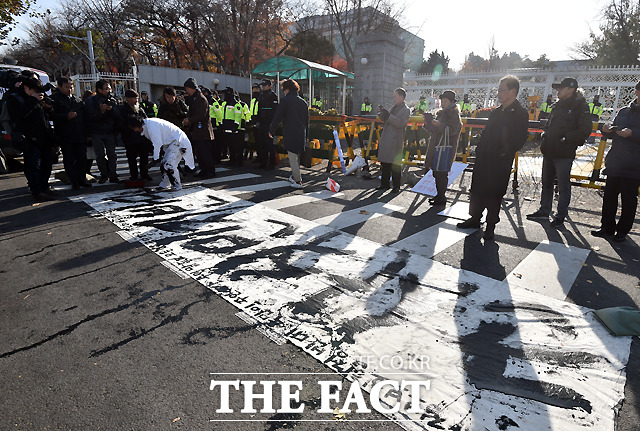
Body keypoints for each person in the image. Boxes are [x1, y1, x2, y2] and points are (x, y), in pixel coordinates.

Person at [457, 75, 529, 240]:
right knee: (477, 189)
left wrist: (504, 152)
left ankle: (490, 225)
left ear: (513, 91)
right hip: (485, 158)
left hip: (500, 161)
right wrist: (480, 148)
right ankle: (475, 218)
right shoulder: (497, 112)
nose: (499, 93)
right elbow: (487, 133)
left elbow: (519, 139)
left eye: (501, 90)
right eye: (498, 89)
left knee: (494, 193)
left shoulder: (520, 113)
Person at [526, 77, 592, 228]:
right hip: (550, 149)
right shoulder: (558, 105)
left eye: (561, 88)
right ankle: (544, 210)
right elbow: (550, 124)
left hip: (564, 152)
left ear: (571, 90)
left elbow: (585, 129)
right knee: (546, 183)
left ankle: (560, 215)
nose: (558, 91)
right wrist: (545, 134)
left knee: (563, 186)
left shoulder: (580, 106)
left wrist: (566, 138)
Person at [591, 80, 640, 242]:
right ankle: (607, 227)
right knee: (609, 196)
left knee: (628, 199)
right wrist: (607, 129)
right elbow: (614, 129)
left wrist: (632, 133)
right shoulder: (624, 111)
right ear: (636, 92)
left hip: (634, 165)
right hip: (616, 162)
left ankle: (623, 231)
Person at [6, 75, 57, 201]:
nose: (38, 93)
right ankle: (36, 190)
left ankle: (44, 187)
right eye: (35, 90)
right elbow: (19, 117)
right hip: (29, 138)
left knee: (47, 163)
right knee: (33, 165)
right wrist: (32, 100)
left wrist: (48, 108)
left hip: (44, 136)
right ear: (26, 88)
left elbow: (47, 117)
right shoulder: (15, 98)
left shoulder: (39, 99)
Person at [421, 90, 462, 205]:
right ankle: (439, 195)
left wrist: (439, 125)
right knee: (437, 172)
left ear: (451, 102)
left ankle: (441, 197)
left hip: (445, 148)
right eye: (442, 101)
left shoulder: (453, 114)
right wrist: (428, 123)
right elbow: (435, 130)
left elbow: (454, 130)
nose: (443, 103)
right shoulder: (441, 113)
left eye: (445, 101)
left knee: (441, 173)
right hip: (437, 146)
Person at [130, 117, 195, 191]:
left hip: (178, 141)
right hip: (172, 143)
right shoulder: (148, 125)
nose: (135, 131)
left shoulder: (151, 126)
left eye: (134, 128)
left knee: (169, 164)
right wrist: (158, 155)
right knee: (165, 164)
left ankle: (177, 186)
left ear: (138, 125)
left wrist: (155, 158)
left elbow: (157, 143)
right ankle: (165, 184)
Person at [50, 77, 91, 189]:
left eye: (71, 87)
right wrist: (65, 116)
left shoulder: (77, 101)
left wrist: (87, 134)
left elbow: (85, 119)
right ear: (59, 87)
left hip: (80, 135)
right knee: (69, 159)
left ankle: (82, 179)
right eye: (66, 87)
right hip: (65, 136)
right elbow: (51, 115)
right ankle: (74, 181)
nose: (69, 90)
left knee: (82, 159)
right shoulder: (54, 100)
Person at [269, 79, 309, 189]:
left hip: (290, 132)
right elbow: (307, 121)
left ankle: (298, 181)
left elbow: (278, 117)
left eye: (284, 89)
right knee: (297, 156)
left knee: (292, 157)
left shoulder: (285, 100)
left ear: (287, 89)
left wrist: (271, 130)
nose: (283, 92)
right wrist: (307, 136)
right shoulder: (303, 102)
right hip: (301, 132)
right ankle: (294, 175)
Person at [84, 79, 121, 183]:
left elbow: (118, 115)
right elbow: (89, 117)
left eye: (109, 88)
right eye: (106, 89)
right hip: (97, 132)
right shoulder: (91, 101)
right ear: (99, 90)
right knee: (100, 155)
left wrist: (110, 109)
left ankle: (113, 175)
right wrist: (101, 111)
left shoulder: (112, 99)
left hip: (109, 131)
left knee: (112, 155)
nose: (109, 91)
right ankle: (104, 174)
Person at [377, 88, 411, 193]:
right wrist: (383, 114)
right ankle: (384, 184)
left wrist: (389, 116)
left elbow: (401, 123)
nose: (394, 99)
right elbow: (389, 119)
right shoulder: (394, 107)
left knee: (396, 165)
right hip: (388, 138)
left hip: (396, 139)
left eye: (395, 97)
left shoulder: (406, 110)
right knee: (385, 164)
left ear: (402, 97)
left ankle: (396, 186)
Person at [182, 77, 216, 178]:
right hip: (197, 131)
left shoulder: (201, 99)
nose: (187, 91)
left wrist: (190, 120)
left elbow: (201, 114)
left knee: (205, 153)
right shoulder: (194, 98)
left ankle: (210, 171)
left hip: (203, 131)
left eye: (188, 88)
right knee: (200, 154)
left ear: (193, 88)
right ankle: (203, 170)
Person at [118, 89, 152, 181]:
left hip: (141, 136)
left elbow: (145, 119)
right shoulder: (122, 109)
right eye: (134, 98)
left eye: (137, 98)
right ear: (128, 99)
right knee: (132, 158)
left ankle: (144, 174)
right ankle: (134, 175)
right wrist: (132, 127)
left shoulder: (139, 107)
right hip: (130, 137)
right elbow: (122, 122)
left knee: (144, 157)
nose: (136, 100)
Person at [256, 79, 278, 169]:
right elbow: (259, 110)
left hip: (269, 123)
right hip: (262, 123)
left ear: (270, 86)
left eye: (265, 85)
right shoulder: (261, 96)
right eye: (262, 85)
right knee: (262, 144)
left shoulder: (273, 96)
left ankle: (271, 164)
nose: (263, 87)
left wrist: (273, 124)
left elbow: (275, 111)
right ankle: (263, 163)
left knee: (269, 145)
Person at [219, 87, 244, 166]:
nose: (225, 95)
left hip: (234, 130)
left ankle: (238, 162)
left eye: (226, 93)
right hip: (227, 128)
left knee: (236, 146)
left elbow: (238, 116)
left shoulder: (236, 104)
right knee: (230, 146)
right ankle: (232, 160)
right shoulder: (225, 104)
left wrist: (235, 126)